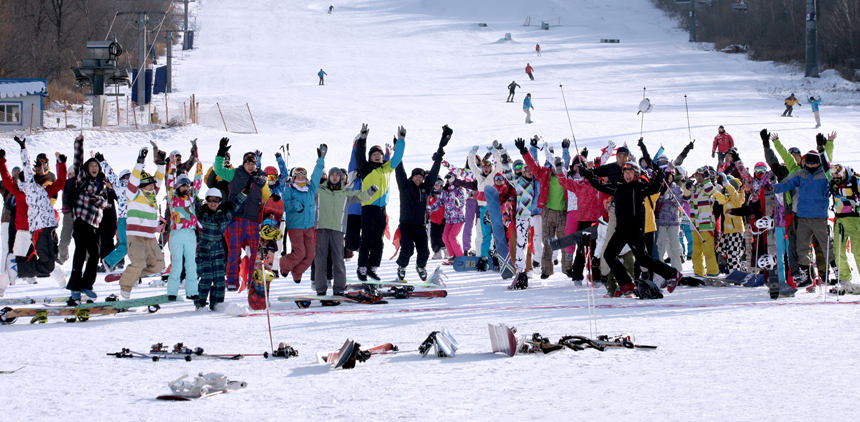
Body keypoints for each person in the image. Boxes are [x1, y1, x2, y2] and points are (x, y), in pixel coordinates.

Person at [581, 160, 682, 294]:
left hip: (634, 230)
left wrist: (660, 176)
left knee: (643, 259)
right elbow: (599, 185)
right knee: (609, 255)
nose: (627, 175)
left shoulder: (640, 187)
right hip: (621, 230)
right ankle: (626, 284)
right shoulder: (618, 187)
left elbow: (655, 188)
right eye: (625, 172)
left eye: (630, 172)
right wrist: (588, 173)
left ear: (636, 174)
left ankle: (672, 274)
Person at [0, 138, 66, 287]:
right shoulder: (18, 192)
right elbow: (7, 178)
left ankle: (62, 283)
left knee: (46, 259)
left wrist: (61, 164)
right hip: (24, 231)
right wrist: (2, 161)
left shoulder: (44, 191)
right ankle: (3, 287)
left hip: (39, 229)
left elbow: (60, 182)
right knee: (15, 258)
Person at [214, 138, 271, 290]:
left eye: (253, 163)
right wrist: (221, 153)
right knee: (234, 251)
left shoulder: (260, 179)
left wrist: (267, 188)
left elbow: (267, 198)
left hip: (252, 220)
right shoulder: (235, 174)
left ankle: (252, 280)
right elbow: (218, 170)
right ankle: (232, 281)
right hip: (236, 218)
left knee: (254, 253)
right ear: (244, 163)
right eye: (248, 163)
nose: (250, 166)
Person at [774, 144, 834, 286]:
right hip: (799, 215)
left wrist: (826, 146)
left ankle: (827, 273)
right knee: (801, 247)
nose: (809, 164)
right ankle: (806, 275)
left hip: (819, 216)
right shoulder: (797, 171)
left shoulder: (822, 172)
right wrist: (773, 187)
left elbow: (827, 161)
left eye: (796, 155)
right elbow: (786, 159)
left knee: (822, 246)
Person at [395, 125, 448, 281]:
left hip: (420, 225)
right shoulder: (404, 186)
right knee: (407, 249)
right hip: (406, 224)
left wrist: (439, 155)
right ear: (412, 177)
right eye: (416, 176)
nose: (418, 178)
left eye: (420, 177)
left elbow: (433, 172)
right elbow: (399, 167)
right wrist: (399, 144)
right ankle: (401, 267)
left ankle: (421, 267)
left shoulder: (425, 188)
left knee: (424, 251)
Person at [353, 123, 405, 281]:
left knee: (379, 242)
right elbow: (359, 154)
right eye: (374, 154)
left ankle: (372, 268)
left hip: (382, 209)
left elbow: (397, 157)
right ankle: (362, 267)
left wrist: (401, 140)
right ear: (370, 156)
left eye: (380, 154)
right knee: (367, 239)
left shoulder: (386, 168)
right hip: (368, 208)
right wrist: (363, 138)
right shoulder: (365, 167)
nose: (377, 156)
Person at [118, 147, 166, 299]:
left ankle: (131, 274)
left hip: (149, 237)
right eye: (149, 184)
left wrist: (161, 165)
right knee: (138, 263)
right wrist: (140, 162)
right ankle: (126, 288)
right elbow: (133, 181)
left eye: (152, 184)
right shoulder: (134, 194)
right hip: (136, 236)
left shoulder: (152, 195)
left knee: (159, 265)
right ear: (142, 185)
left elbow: (159, 179)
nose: (153, 186)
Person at [279, 145, 326, 283]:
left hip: (309, 227)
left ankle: (297, 272)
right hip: (296, 227)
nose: (300, 179)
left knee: (310, 254)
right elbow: (285, 204)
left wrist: (321, 160)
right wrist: (296, 205)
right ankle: (283, 264)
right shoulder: (290, 190)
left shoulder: (310, 190)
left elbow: (316, 176)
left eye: (303, 177)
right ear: (293, 179)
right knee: (300, 253)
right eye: (297, 177)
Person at [196, 188, 244, 310]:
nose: (213, 203)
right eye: (210, 200)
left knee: (219, 279)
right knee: (206, 277)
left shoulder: (224, 214)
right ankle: (200, 303)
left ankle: (217, 304)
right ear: (206, 201)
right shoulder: (201, 213)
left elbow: (236, 204)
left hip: (218, 248)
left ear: (220, 202)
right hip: (204, 248)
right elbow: (191, 199)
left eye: (216, 201)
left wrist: (245, 192)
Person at [165, 159, 203, 301]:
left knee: (191, 263)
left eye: (188, 185)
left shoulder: (191, 197)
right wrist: (172, 166)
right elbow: (169, 183)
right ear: (178, 187)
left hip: (190, 234)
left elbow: (198, 182)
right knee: (177, 264)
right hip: (176, 233)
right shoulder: (172, 198)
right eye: (183, 185)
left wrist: (199, 166)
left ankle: (192, 291)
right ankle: (172, 292)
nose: (186, 187)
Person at [829, 164, 860, 294]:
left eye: (838, 174)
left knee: (858, 251)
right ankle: (845, 280)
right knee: (838, 251)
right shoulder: (833, 184)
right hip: (840, 220)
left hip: (856, 220)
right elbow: (825, 164)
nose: (836, 177)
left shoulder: (855, 182)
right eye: (834, 175)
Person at [683, 167, 719, 277]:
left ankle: (713, 272)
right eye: (696, 175)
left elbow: (710, 191)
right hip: (695, 224)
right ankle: (699, 271)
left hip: (706, 224)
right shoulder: (696, 188)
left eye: (699, 175)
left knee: (708, 250)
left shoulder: (710, 186)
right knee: (696, 250)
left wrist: (707, 178)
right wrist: (687, 188)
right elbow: (687, 199)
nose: (697, 177)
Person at [99, 158, 130, 271]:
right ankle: (108, 261)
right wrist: (102, 161)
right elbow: (111, 174)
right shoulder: (119, 186)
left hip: (135, 219)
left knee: (139, 243)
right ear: (121, 179)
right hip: (124, 220)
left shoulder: (136, 188)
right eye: (126, 176)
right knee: (125, 245)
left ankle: (142, 265)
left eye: (130, 176)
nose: (129, 179)